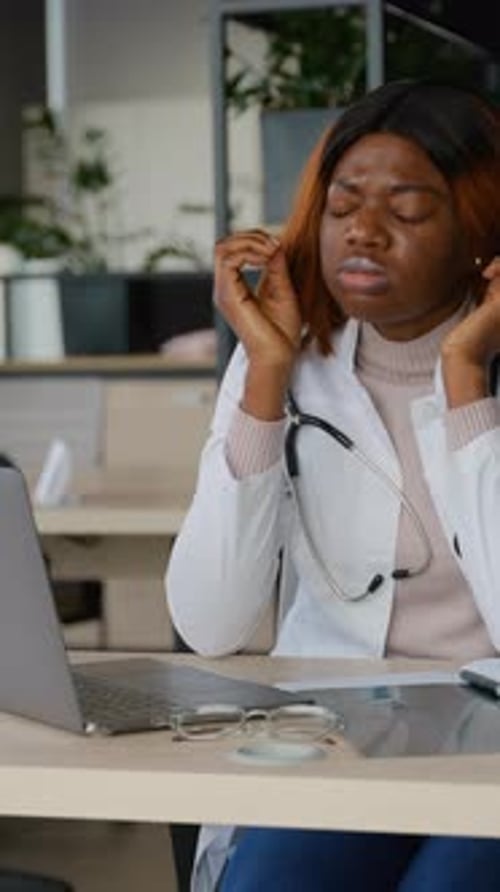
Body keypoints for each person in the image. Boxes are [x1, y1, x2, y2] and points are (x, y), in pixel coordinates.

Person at [166, 80, 500, 891]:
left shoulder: (478, 371)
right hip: (341, 730)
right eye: (343, 205)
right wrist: (265, 382)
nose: (364, 232)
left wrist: (463, 383)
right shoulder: (288, 360)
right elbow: (208, 623)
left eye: (408, 211)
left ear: (478, 233)